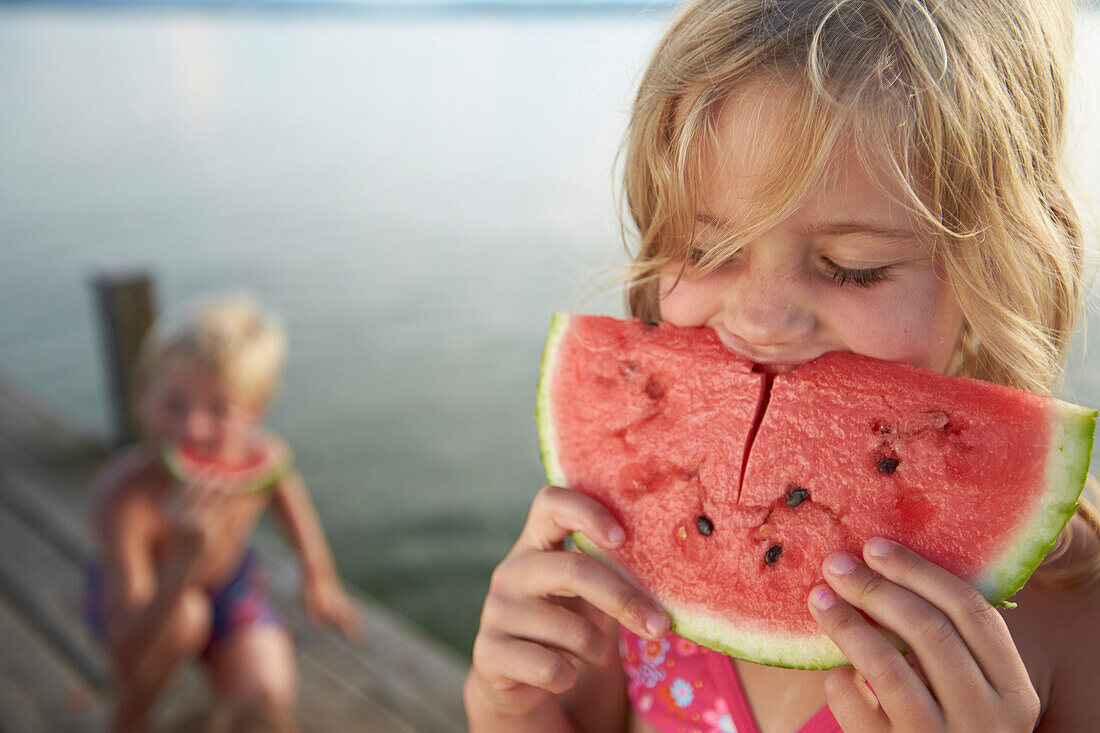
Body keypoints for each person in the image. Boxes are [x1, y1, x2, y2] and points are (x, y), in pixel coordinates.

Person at [465, 0, 1100, 730]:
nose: (762, 319)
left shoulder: (1067, 609)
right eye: (704, 250)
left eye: (851, 267)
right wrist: (512, 700)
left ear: (995, 267)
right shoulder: (621, 543)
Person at [88, 295, 362, 733]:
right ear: (142, 394)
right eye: (174, 403)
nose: (193, 428)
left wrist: (318, 575)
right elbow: (125, 655)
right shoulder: (124, 498)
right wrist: (181, 561)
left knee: (266, 702)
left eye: (219, 409)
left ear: (256, 408)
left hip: (231, 587)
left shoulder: (264, 457)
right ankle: (126, 721)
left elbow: (283, 486)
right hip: (146, 608)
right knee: (182, 622)